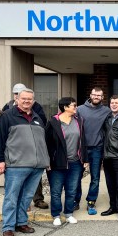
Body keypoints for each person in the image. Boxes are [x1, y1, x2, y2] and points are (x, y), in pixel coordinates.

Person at [0, 88, 49, 236]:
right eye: (23, 98)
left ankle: (21, 222)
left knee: (27, 197)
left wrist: (46, 160)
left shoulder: (38, 117)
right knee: (12, 197)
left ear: (33, 101)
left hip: (37, 165)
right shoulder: (7, 117)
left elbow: (42, 141)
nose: (26, 101)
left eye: (29, 99)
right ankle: (8, 227)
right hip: (16, 165)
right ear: (17, 99)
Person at [2, 83, 49, 209]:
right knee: (14, 189)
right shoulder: (7, 108)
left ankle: (38, 199)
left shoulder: (36, 107)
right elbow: (1, 134)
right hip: (17, 156)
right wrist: (0, 159)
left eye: (20, 94)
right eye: (16, 94)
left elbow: (42, 123)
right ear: (15, 96)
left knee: (34, 182)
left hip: (33, 154)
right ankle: (13, 220)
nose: (18, 97)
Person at [45, 97, 88, 227]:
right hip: (57, 163)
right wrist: (48, 161)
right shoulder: (53, 122)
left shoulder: (78, 121)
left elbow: (83, 141)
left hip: (75, 163)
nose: (76, 108)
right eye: (73, 106)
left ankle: (68, 214)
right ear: (65, 107)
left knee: (71, 190)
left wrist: (85, 159)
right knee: (56, 191)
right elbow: (46, 143)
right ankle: (56, 215)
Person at [77, 87, 111, 215]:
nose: (96, 97)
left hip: (97, 148)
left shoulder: (106, 111)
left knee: (95, 177)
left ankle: (91, 201)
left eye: (99, 95)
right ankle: (75, 200)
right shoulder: (80, 109)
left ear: (102, 97)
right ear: (90, 95)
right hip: (81, 148)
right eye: (94, 95)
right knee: (76, 176)